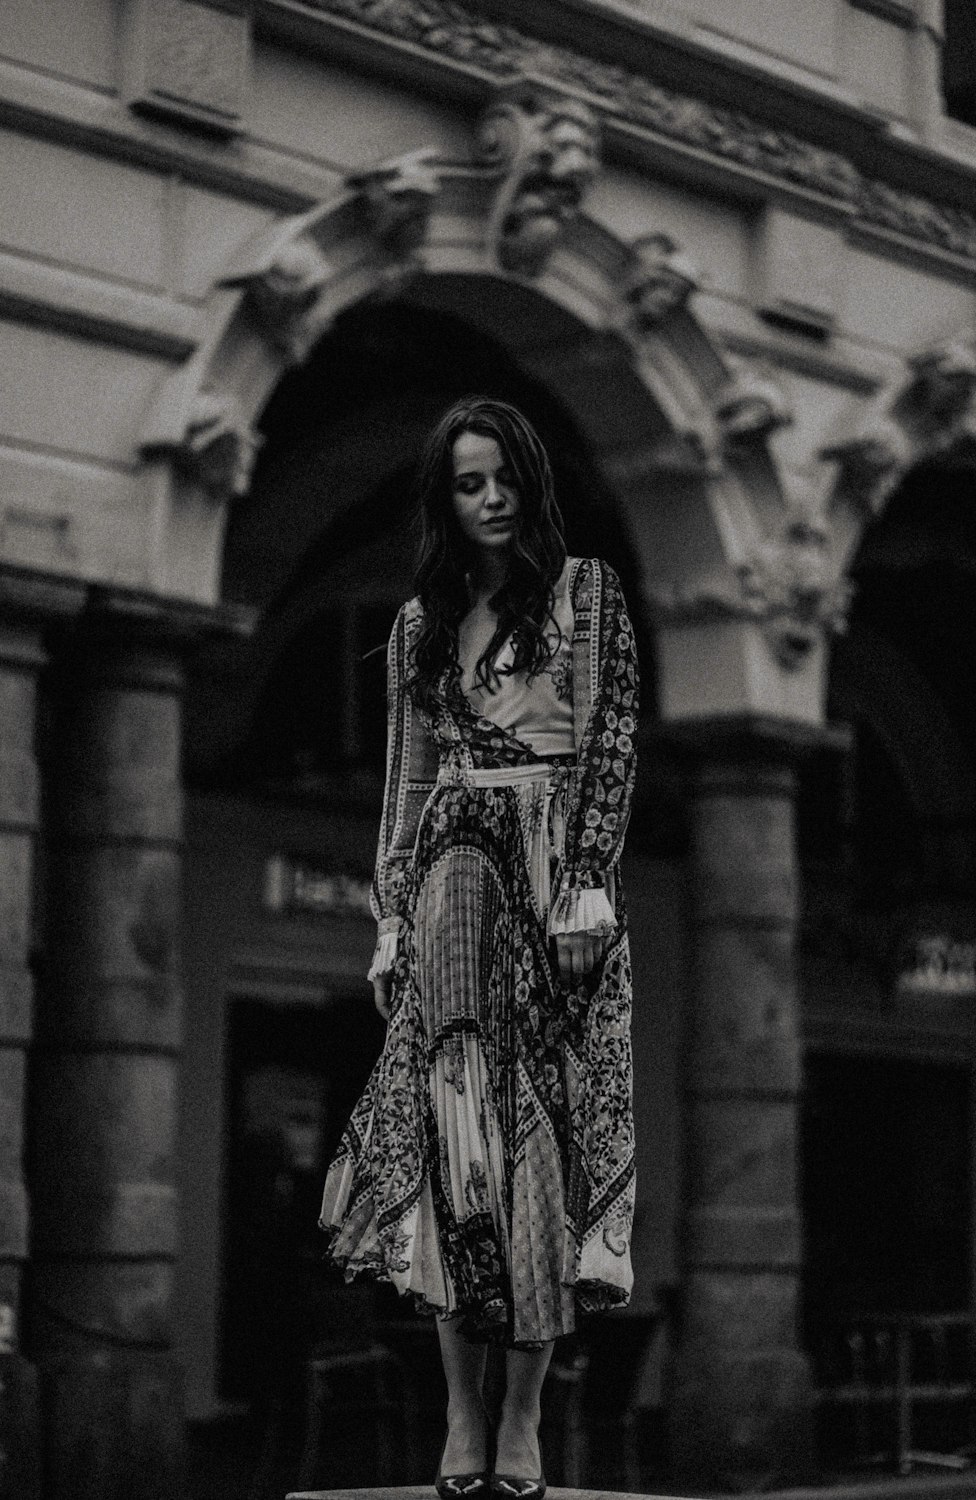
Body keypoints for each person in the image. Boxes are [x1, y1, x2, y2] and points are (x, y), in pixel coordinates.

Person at [320, 397, 638, 1500]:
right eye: (467, 482)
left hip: (556, 884)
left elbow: (610, 745)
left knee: (545, 1151)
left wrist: (590, 880)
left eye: (502, 476)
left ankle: (522, 1423)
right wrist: (389, 916)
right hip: (454, 875)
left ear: (529, 480)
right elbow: (407, 783)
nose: (490, 497)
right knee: (459, 1156)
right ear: (444, 497)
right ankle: (461, 1420)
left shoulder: (586, 596)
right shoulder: (419, 623)